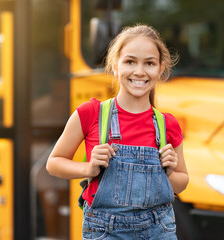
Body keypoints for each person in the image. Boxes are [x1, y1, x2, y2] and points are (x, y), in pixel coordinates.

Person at [46, 24, 189, 239]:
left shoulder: (167, 124)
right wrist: (88, 168)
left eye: (149, 63)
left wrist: (168, 172)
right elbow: (54, 163)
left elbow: (182, 181)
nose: (139, 71)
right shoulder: (90, 113)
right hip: (106, 231)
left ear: (160, 69)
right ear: (115, 66)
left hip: (159, 229)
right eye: (130, 61)